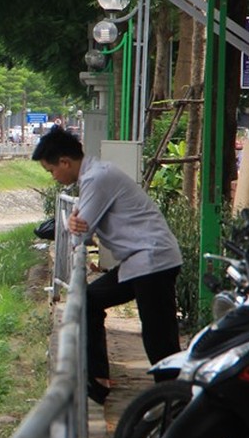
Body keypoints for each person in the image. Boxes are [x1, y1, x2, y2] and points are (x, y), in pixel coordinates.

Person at [32, 126, 182, 404]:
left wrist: (73, 223)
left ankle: (176, 402)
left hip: (153, 260)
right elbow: (81, 226)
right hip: (140, 262)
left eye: (51, 171)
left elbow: (80, 231)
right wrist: (75, 222)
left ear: (65, 162)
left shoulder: (97, 178)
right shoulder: (95, 175)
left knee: (159, 338)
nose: (54, 177)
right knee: (89, 299)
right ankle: (99, 379)